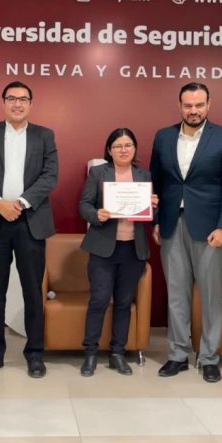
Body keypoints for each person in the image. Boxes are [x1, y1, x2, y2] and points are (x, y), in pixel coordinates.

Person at [150, 82, 222, 383]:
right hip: (171, 224)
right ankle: (177, 354)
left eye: (199, 105)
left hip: (210, 228)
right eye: (188, 105)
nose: (193, 110)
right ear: (180, 106)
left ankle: (209, 357)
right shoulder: (163, 137)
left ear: (208, 105)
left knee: (211, 295)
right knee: (176, 294)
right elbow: (158, 182)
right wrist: (155, 220)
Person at [0, 81, 58, 378]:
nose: (17, 104)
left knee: (33, 291)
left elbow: (50, 176)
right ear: (3, 102)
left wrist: (19, 203)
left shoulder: (44, 135)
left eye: (23, 99)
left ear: (31, 104)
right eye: (12, 98)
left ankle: (35, 354)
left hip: (30, 221)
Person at [78, 128, 157, 377]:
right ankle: (90, 353)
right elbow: (84, 205)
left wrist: (153, 205)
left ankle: (117, 353)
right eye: (118, 146)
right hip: (103, 248)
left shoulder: (144, 176)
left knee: (123, 303)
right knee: (99, 300)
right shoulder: (98, 173)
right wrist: (96, 215)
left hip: (133, 248)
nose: (123, 150)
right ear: (109, 150)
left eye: (128, 145)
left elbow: (149, 215)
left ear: (135, 149)